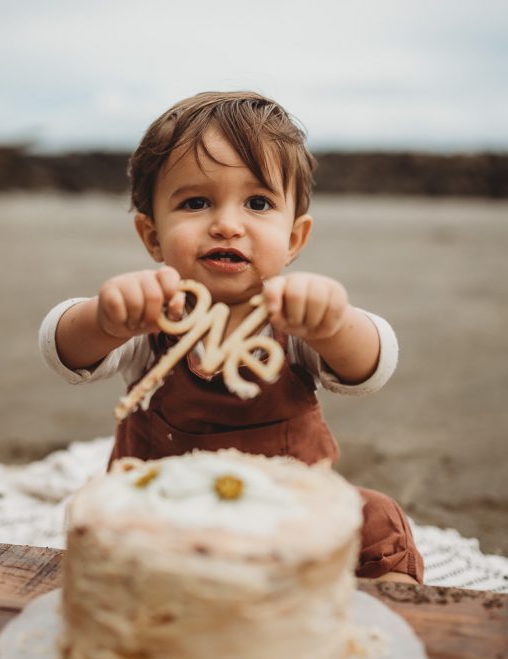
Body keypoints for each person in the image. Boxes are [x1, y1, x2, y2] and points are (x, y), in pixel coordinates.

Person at [39, 91, 423, 584]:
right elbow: (62, 350)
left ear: (294, 239)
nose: (226, 224)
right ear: (152, 236)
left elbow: (370, 366)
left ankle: (392, 599)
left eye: (258, 203)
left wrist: (333, 324)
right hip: (165, 515)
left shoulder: (295, 318)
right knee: (96, 522)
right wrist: (105, 320)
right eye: (196, 203)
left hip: (284, 520)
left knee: (375, 518)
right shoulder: (154, 314)